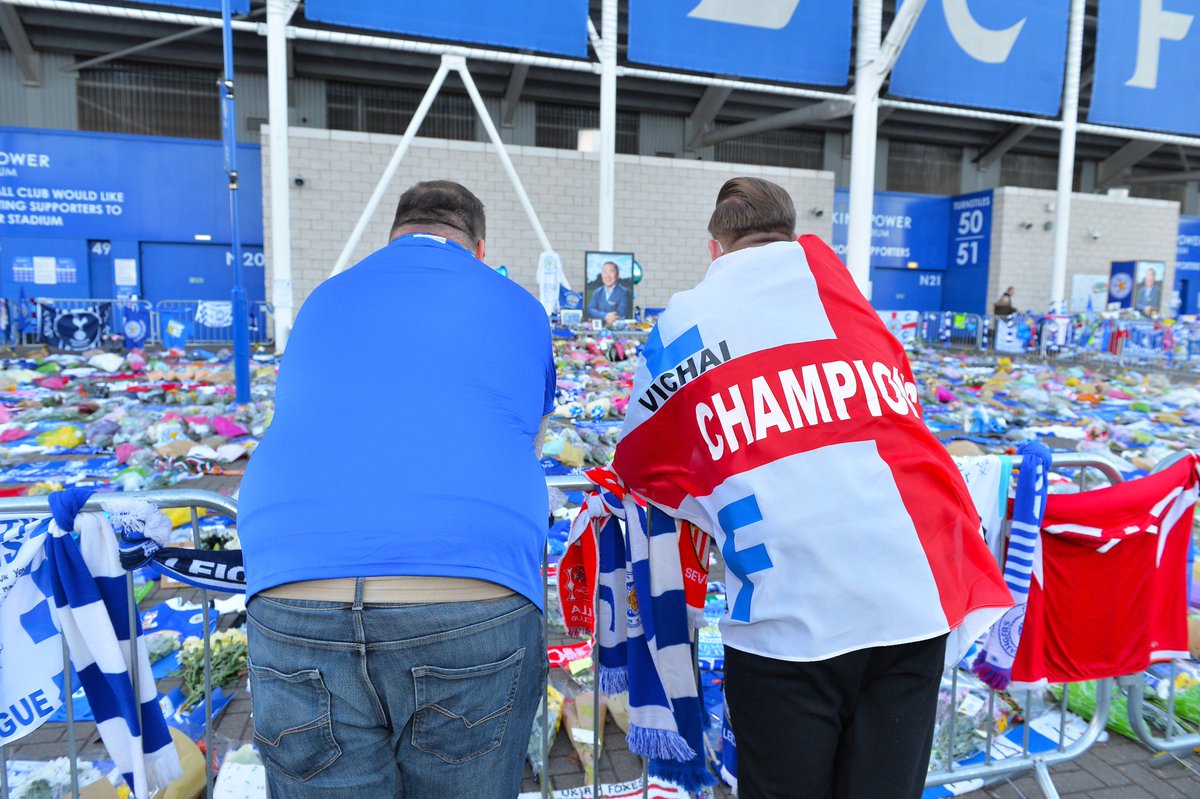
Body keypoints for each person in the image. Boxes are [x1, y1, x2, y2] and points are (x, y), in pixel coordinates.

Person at [611, 177, 1012, 799]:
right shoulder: (850, 303)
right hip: (912, 596)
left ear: (716, 249)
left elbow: (638, 458)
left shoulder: (688, 319)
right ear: (791, 233)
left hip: (791, 615)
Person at [237, 180, 553, 799]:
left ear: (393, 238)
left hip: (294, 581)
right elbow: (530, 438)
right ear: (479, 247)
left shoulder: (326, 299)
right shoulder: (516, 305)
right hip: (468, 585)